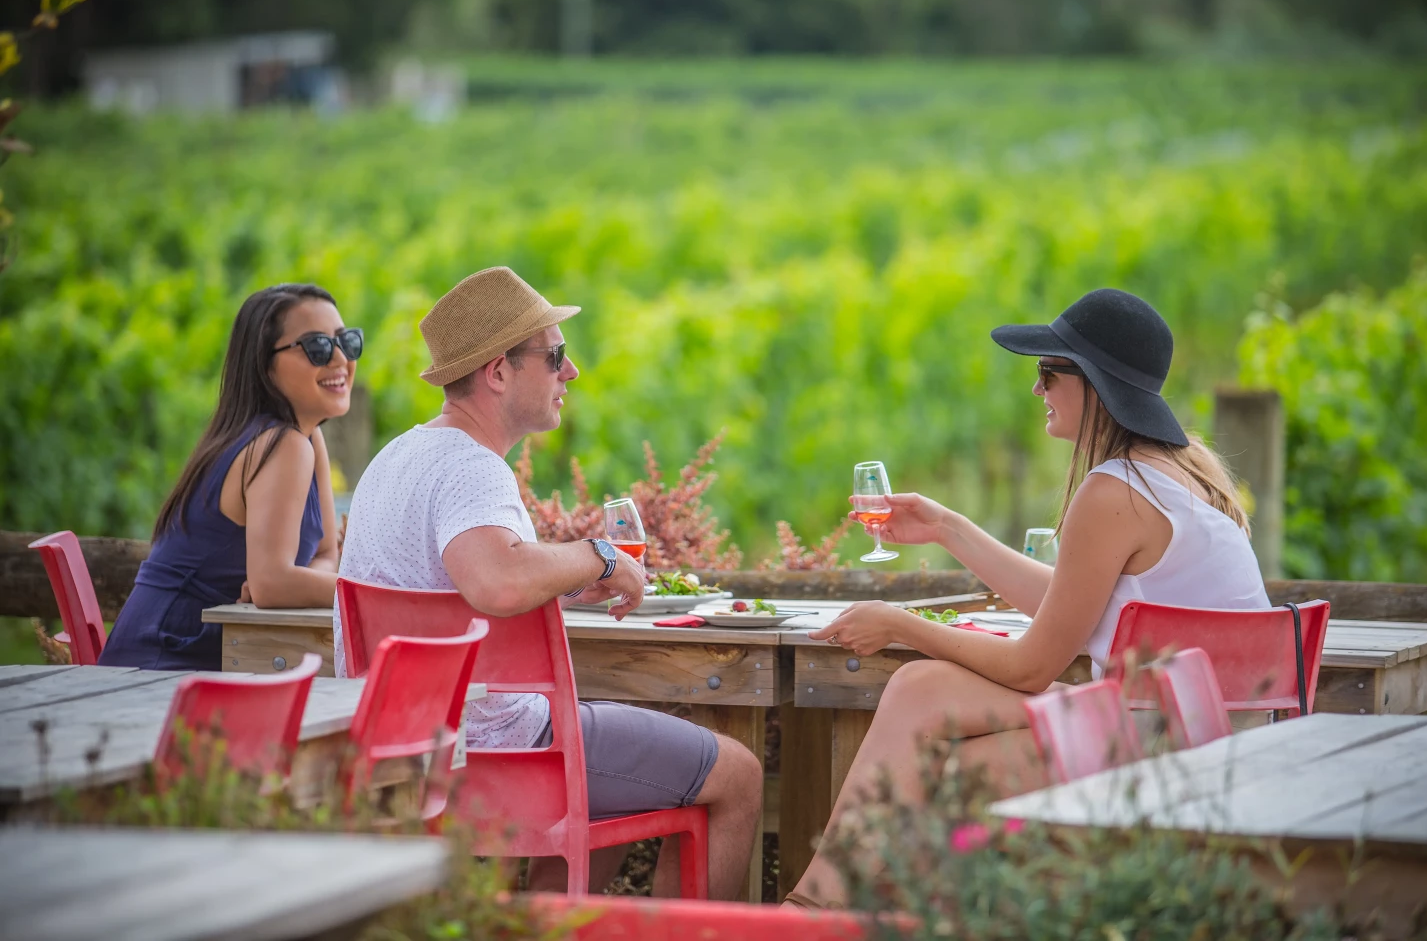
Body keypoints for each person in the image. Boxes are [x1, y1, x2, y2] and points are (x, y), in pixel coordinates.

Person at [786, 288, 1270, 909]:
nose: (1037, 390)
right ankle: (825, 910)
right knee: (918, 694)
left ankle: (818, 914)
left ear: (1094, 384)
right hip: (1200, 726)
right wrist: (946, 528)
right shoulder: (1177, 472)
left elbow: (1032, 667)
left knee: (944, 777)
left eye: (1049, 372)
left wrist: (901, 623)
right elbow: (1070, 603)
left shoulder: (1113, 489)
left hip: (1172, 746)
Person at [336, 266, 763, 899]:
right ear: (498, 372)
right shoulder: (471, 469)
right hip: (503, 753)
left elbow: (467, 578)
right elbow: (496, 581)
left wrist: (557, 583)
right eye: (555, 355)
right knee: (740, 776)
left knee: (601, 770)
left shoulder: (392, 460)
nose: (572, 373)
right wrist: (600, 556)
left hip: (405, 755)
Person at [101, 284, 355, 670]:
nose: (339, 359)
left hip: (213, 657)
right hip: (159, 664)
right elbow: (272, 585)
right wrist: (372, 593)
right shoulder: (281, 444)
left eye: (347, 342)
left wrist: (290, 584)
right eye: (317, 346)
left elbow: (322, 556)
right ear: (264, 363)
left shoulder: (306, 437)